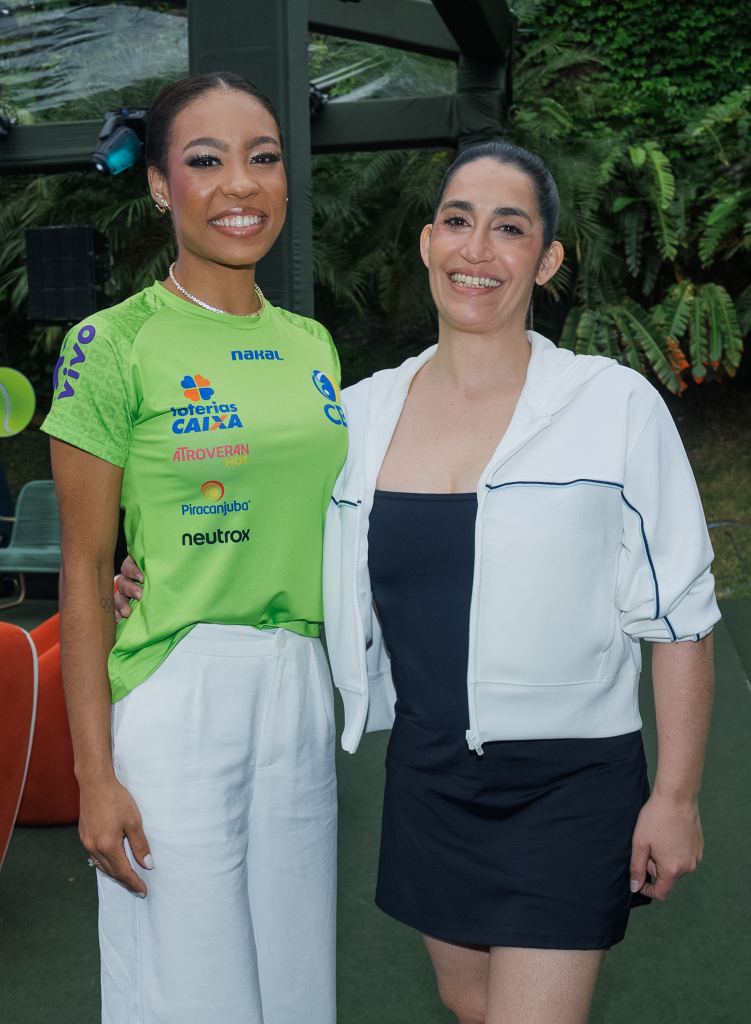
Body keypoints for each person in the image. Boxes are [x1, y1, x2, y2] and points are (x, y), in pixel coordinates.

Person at [119, 141, 719, 1024]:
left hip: (571, 781)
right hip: (429, 776)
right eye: (458, 222)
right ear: (428, 242)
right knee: (469, 1007)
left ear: (547, 260)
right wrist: (143, 571)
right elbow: (264, 524)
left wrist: (674, 796)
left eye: (508, 229)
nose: (477, 249)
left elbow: (679, 616)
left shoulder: (611, 405)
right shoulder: (357, 413)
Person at [43, 73, 347, 1024]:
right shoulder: (111, 342)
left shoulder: (314, 346)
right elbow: (87, 572)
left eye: (262, 158)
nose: (239, 186)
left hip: (301, 685)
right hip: (176, 693)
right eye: (204, 162)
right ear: (160, 186)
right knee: (189, 989)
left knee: (297, 983)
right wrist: (95, 776)